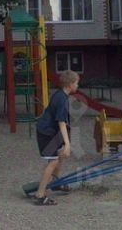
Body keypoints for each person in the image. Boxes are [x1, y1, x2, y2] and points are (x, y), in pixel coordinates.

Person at [32, 70, 79, 206]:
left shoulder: (61, 95)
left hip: (52, 132)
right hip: (46, 133)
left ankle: (56, 182)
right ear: (70, 85)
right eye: (76, 83)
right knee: (53, 161)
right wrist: (68, 144)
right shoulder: (61, 100)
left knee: (59, 155)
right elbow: (61, 122)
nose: (77, 85)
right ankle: (40, 195)